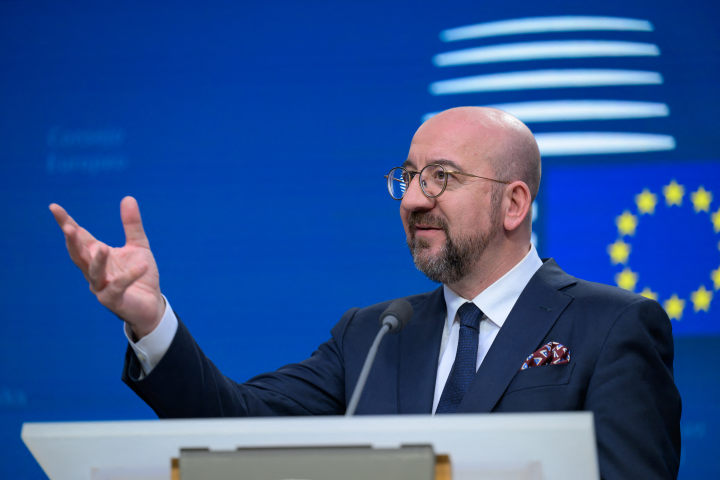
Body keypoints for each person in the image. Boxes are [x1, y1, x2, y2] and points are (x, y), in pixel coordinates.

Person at [50, 107, 681, 479]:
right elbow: (237, 429)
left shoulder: (613, 325)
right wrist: (152, 321)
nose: (412, 199)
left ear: (513, 202)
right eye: (407, 177)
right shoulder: (375, 334)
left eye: (442, 177)